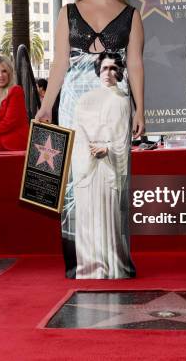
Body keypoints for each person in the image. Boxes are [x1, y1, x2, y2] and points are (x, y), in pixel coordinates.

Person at [35, 0, 145, 279]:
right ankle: (81, 262)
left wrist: (141, 110)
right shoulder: (68, 12)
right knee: (76, 180)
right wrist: (46, 106)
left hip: (114, 106)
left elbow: (137, 65)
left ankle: (114, 261)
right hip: (74, 107)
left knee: (114, 177)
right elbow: (59, 65)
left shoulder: (131, 15)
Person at [71, 52, 133, 278]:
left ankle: (112, 267)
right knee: (88, 217)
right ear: (98, 71)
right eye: (105, 68)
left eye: (114, 68)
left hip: (109, 168)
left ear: (120, 72)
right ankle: (90, 268)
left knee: (110, 217)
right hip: (88, 168)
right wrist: (90, 149)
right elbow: (78, 133)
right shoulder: (84, 100)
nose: (109, 73)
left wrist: (108, 148)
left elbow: (123, 139)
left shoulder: (122, 101)